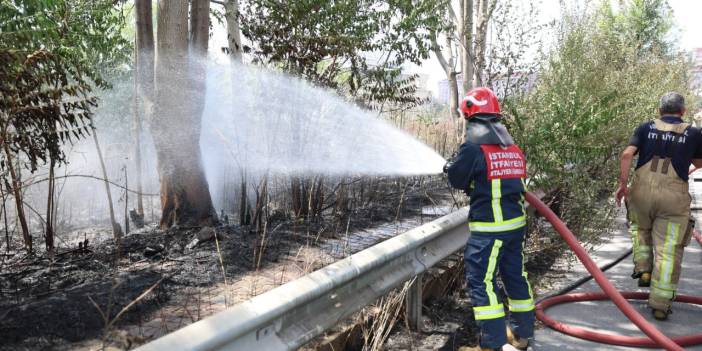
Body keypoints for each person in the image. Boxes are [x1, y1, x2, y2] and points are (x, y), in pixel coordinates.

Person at [445, 87, 533, 351]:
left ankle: (492, 344)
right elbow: (499, 181)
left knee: (482, 282)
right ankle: (521, 335)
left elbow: (457, 178)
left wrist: (452, 167)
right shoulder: (511, 146)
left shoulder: (474, 146)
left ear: (471, 114)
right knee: (516, 276)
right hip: (515, 226)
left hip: (490, 231)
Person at [616, 92, 702, 320]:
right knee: (669, 250)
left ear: (659, 110)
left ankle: (643, 268)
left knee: (639, 227)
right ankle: (660, 305)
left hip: (642, 192)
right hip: (673, 198)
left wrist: (623, 186)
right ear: (682, 112)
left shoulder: (645, 127)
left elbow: (626, 155)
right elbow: (699, 162)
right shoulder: (693, 132)